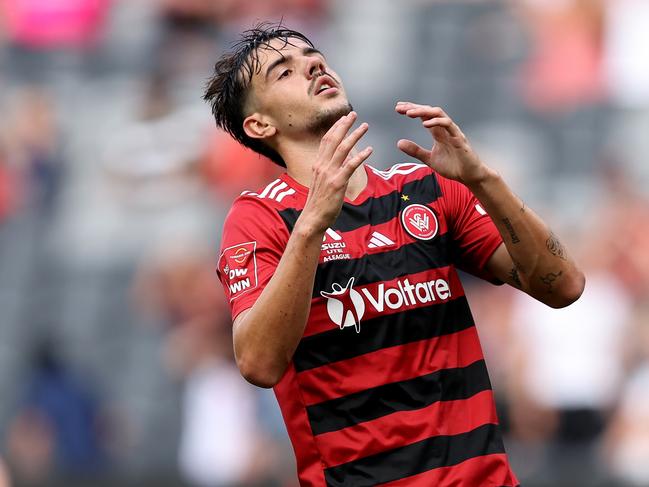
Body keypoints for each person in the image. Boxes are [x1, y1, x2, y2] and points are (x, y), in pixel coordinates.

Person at [204, 23, 585, 487]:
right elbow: (259, 364)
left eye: (313, 56)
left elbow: (564, 286)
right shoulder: (260, 218)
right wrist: (312, 225)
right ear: (259, 125)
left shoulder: (425, 189)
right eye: (284, 72)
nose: (312, 65)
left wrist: (482, 179)